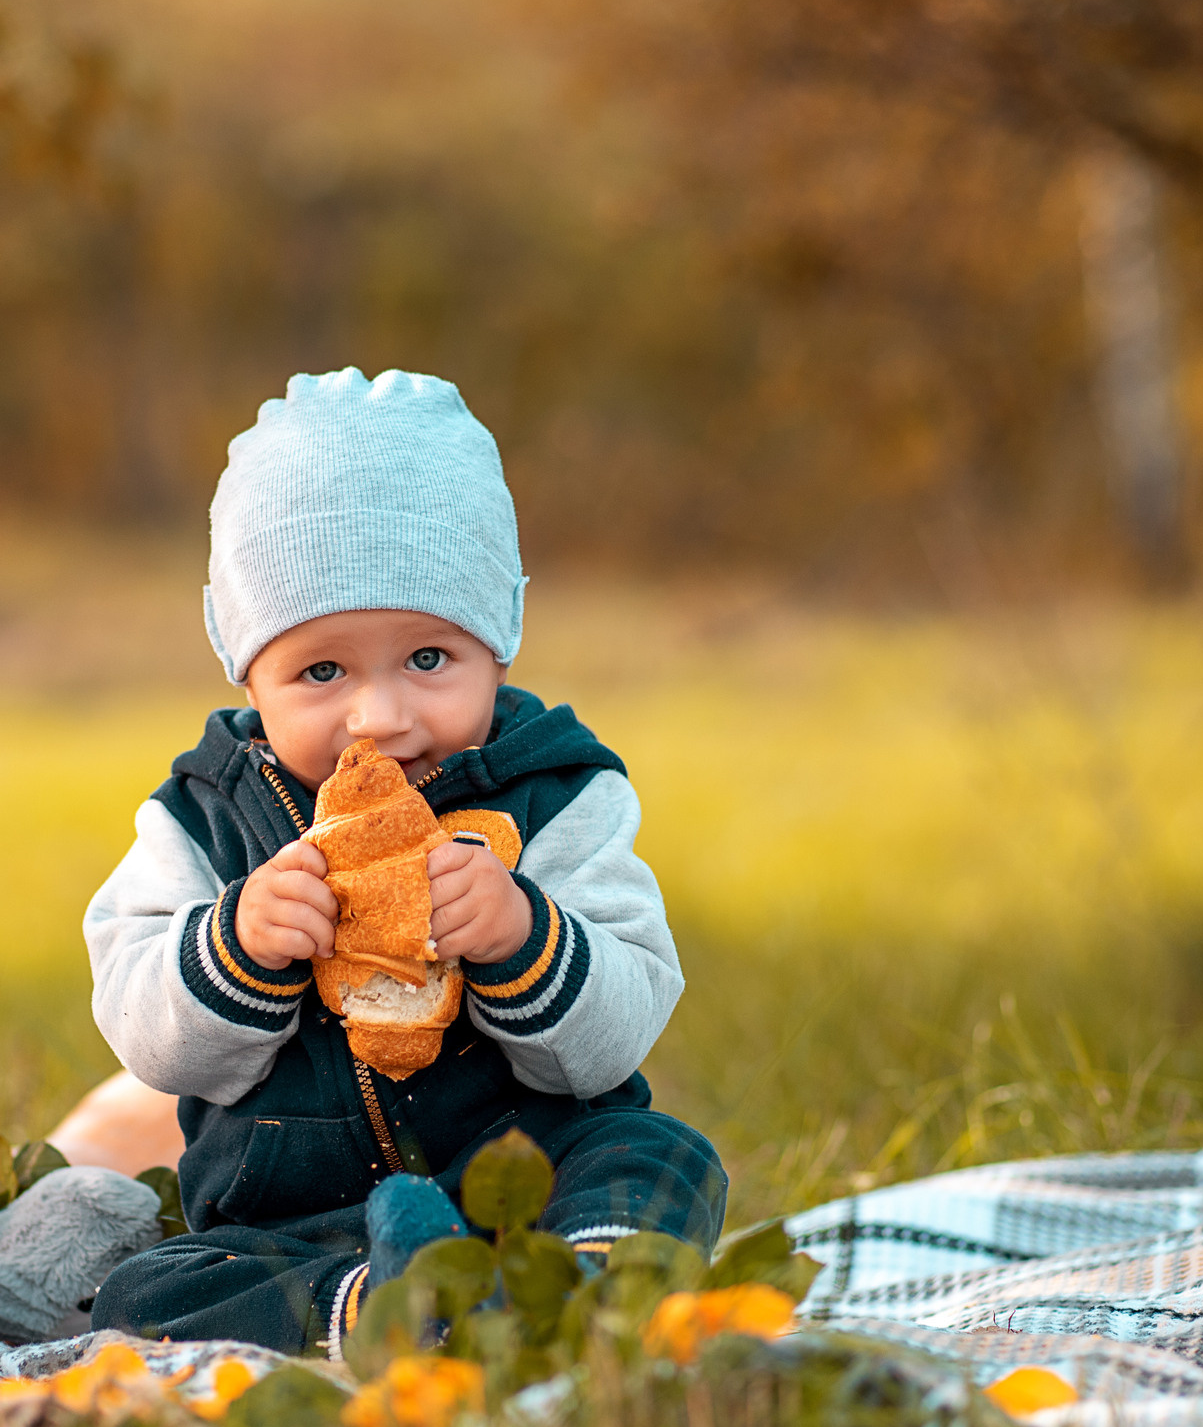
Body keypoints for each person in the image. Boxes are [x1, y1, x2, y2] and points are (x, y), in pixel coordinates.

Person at [85, 367, 725, 1356]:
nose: (379, 717)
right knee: (145, 1293)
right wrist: (236, 944)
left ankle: (577, 1290)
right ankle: (381, 1308)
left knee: (660, 1155)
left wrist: (524, 935)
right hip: (301, 1218)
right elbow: (149, 1039)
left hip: (528, 1182)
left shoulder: (558, 792)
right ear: (245, 665)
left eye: (428, 659)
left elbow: (619, 1029)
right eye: (321, 669)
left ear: (499, 638)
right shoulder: (201, 819)